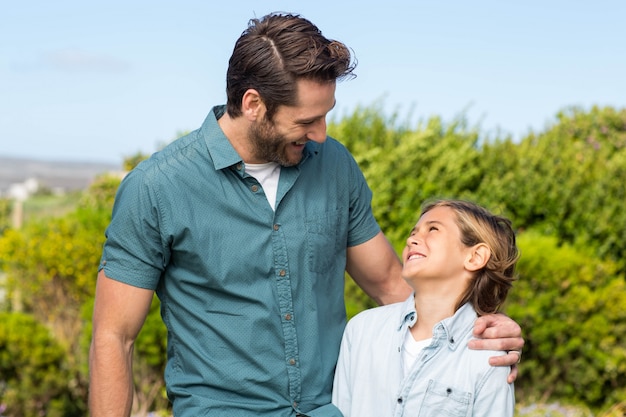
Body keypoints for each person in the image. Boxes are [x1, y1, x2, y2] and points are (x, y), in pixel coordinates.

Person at [89, 13, 524, 417]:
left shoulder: (334, 165)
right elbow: (114, 338)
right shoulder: (156, 187)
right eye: (306, 121)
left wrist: (478, 332)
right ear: (254, 104)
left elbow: (392, 284)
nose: (321, 134)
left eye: (326, 116)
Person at [332, 199, 521, 416]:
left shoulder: (488, 358)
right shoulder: (361, 331)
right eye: (414, 232)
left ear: (475, 257)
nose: (411, 239)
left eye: (432, 229)